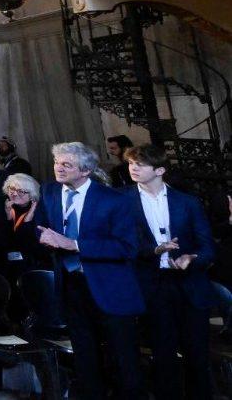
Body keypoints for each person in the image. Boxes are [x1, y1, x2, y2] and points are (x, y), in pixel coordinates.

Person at [36, 141, 144, 399]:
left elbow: (127, 247)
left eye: (66, 165)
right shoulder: (49, 192)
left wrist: (73, 244)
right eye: (56, 163)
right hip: (71, 286)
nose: (58, 169)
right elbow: (42, 228)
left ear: (85, 171)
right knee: (85, 358)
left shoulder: (114, 200)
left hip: (110, 289)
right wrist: (42, 237)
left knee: (122, 360)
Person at [126, 144, 214, 399]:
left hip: (189, 284)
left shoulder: (187, 202)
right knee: (163, 356)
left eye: (140, 164)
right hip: (152, 285)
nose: (134, 168)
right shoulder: (122, 200)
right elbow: (124, 244)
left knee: (197, 354)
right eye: (131, 163)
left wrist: (190, 257)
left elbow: (207, 246)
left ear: (160, 169)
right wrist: (154, 250)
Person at [1, 173, 46, 279]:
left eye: (21, 191)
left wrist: (27, 221)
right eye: (12, 188)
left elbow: (30, 245)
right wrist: (7, 216)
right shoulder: (6, 207)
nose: (15, 194)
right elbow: (3, 240)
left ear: (32, 195)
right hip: (7, 265)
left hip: (31, 266)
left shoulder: (39, 212)